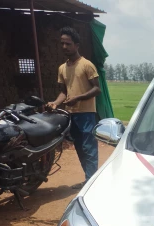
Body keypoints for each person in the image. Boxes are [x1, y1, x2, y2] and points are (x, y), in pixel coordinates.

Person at [47, 27, 101, 189]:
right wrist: (56, 103)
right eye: (62, 43)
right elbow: (64, 91)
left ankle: (91, 183)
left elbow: (97, 89)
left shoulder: (87, 65)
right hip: (71, 114)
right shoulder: (62, 68)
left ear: (76, 45)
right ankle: (89, 180)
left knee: (88, 147)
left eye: (68, 44)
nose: (64, 47)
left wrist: (78, 97)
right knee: (79, 147)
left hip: (86, 114)